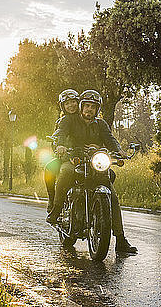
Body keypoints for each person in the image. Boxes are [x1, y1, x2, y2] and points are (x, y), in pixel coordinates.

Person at [47, 89, 138, 254]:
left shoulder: (101, 124)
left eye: (93, 107)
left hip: (95, 163)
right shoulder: (70, 120)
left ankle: (120, 239)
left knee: (113, 196)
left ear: (97, 109)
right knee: (66, 172)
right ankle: (57, 209)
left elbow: (110, 139)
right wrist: (60, 145)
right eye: (86, 106)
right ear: (81, 106)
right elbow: (61, 134)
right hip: (75, 160)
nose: (89, 109)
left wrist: (119, 151)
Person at [44, 89, 79, 213]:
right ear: (62, 106)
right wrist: (59, 147)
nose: (71, 105)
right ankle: (52, 199)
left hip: (85, 157)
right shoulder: (60, 122)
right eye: (67, 103)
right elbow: (56, 138)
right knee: (49, 168)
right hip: (66, 157)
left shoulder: (84, 118)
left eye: (73, 101)